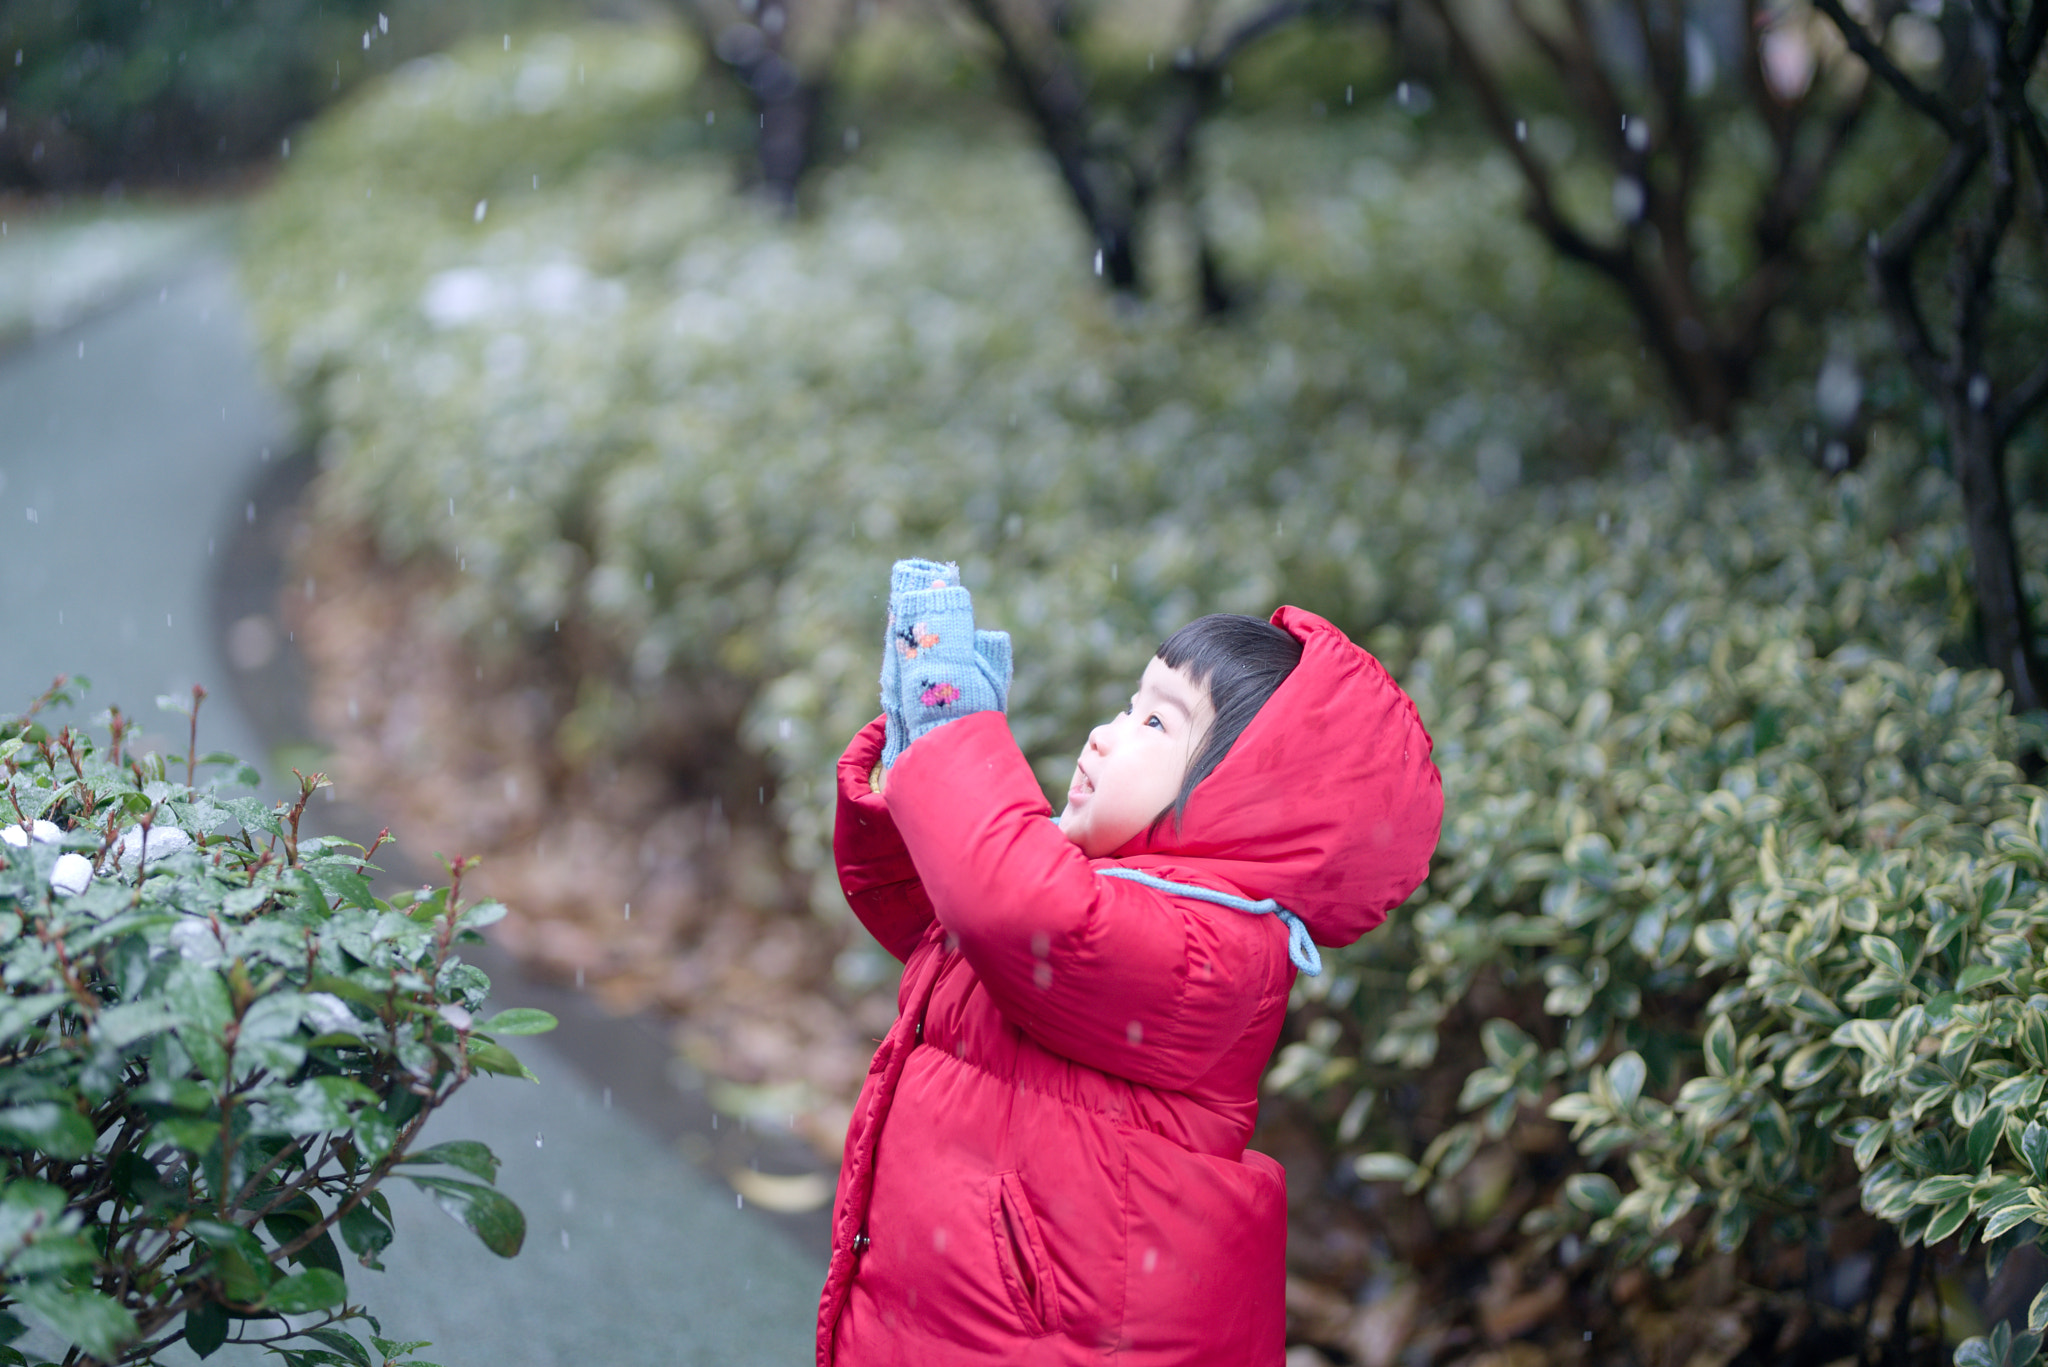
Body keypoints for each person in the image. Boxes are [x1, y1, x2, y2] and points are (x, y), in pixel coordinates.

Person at [817, 559, 1443, 1367]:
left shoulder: (1210, 950)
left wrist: (954, 735)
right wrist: (917, 753)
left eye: (1157, 724)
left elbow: (1007, 908)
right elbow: (936, 916)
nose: (1106, 732)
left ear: (1242, 803)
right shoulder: (1103, 897)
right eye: (1129, 702)